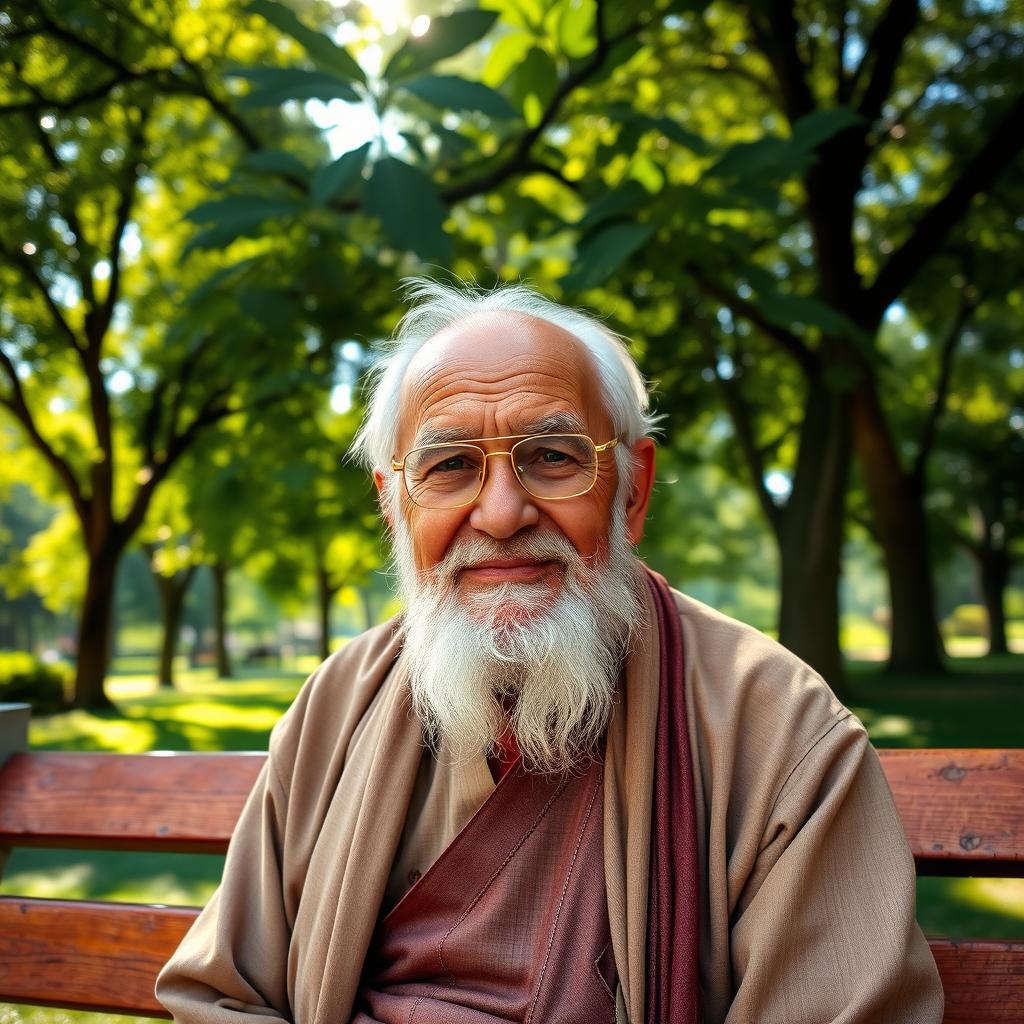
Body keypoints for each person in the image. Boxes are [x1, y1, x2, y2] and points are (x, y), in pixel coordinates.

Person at [156, 280, 943, 1024]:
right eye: (450, 466)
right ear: (394, 505)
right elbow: (220, 993)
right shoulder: (339, 702)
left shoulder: (779, 731)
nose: (499, 513)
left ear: (630, 493)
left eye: (554, 457)